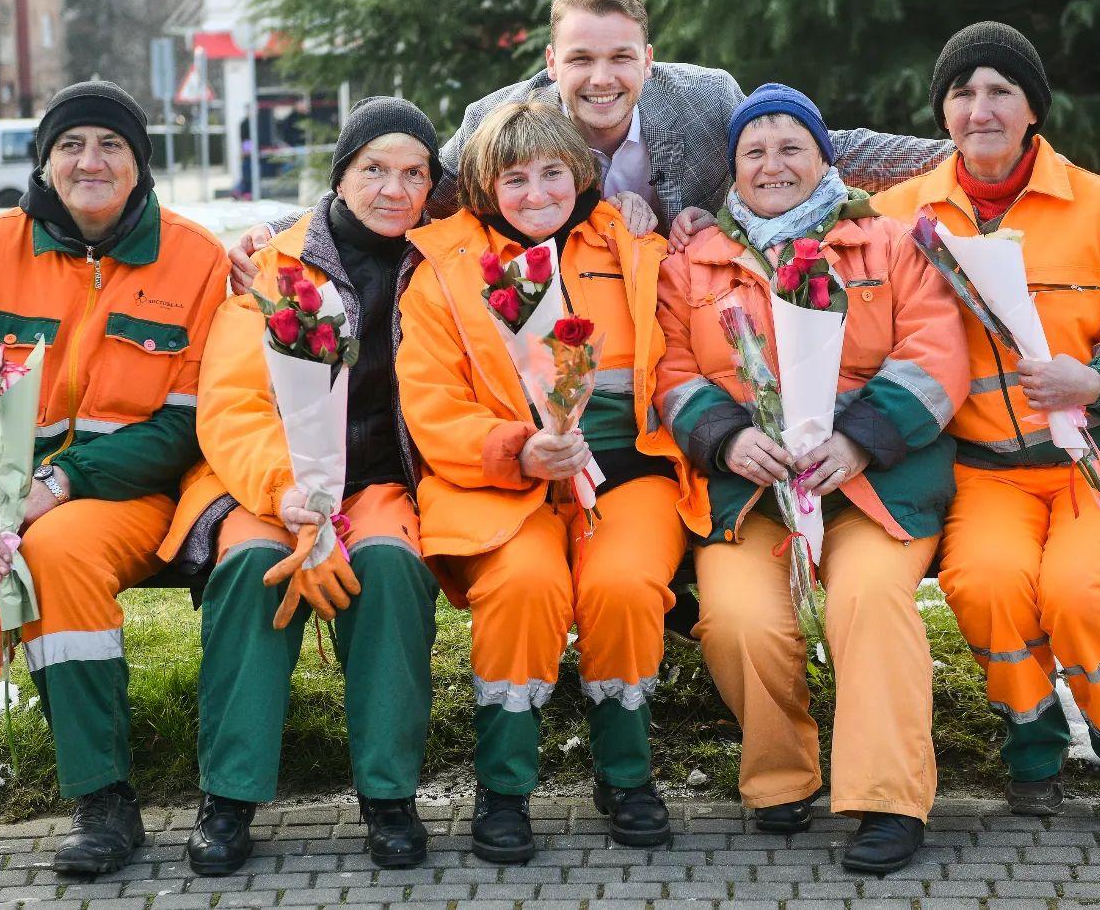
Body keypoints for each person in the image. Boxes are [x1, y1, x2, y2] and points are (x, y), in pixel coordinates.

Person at [0, 82, 230, 872]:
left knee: (56, 555)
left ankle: (104, 802)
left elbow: (184, 424)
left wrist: (58, 484)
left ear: (141, 166)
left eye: (110, 146)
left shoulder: (194, 259)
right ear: (45, 160)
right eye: (70, 145)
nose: (88, 161)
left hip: (120, 494)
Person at [871, 22, 1100, 820]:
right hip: (986, 468)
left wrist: (1099, 379)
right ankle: (1032, 742)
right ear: (943, 112)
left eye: (1000, 91)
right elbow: (807, 249)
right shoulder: (897, 214)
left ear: (1033, 108)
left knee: (1082, 592)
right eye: (962, 92)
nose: (981, 109)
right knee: (988, 586)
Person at [654, 83, 969, 874]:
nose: (773, 164)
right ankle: (781, 776)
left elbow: (936, 356)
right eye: (753, 151)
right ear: (732, 171)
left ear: (825, 157)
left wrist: (859, 441)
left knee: (867, 600)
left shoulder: (888, 244)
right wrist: (725, 441)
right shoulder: (694, 261)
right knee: (735, 617)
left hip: (871, 483)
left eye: (792, 146)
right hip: (750, 489)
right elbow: (671, 367)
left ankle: (888, 801)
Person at [395, 100, 710, 863]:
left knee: (625, 586)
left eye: (553, 173)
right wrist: (518, 448)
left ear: (582, 174)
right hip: (502, 484)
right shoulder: (443, 267)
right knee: (525, 588)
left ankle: (626, 776)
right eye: (515, 179)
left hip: (628, 472)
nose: (537, 193)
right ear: (482, 185)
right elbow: (431, 405)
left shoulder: (630, 242)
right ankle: (504, 788)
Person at [227, 0, 955, 292]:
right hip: (538, 309)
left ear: (647, 58)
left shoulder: (705, 100)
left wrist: (965, 155)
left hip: (673, 312)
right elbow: (418, 192)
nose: (599, 78)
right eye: (580, 59)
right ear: (552, 64)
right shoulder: (499, 122)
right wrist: (280, 233)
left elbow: (826, 145)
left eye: (618, 58)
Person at [160, 97, 443, 874]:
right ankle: (229, 795)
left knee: (386, 568)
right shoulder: (275, 263)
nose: (393, 188)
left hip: (381, 482)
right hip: (263, 483)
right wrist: (286, 493)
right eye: (374, 169)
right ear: (341, 176)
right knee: (254, 570)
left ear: (432, 184)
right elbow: (232, 404)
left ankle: (389, 795)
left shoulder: (440, 262)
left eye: (413, 172)